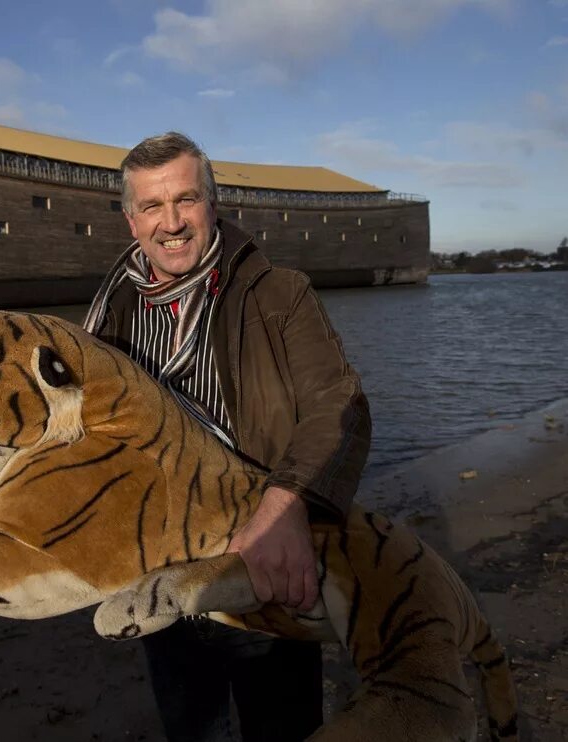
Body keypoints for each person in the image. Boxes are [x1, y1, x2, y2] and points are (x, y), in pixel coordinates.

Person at [82, 132, 371, 741]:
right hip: (159, 563)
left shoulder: (279, 293)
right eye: (152, 207)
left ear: (213, 203)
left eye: (186, 200)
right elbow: (73, 426)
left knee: (283, 725)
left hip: (258, 554)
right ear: (131, 220)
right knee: (190, 727)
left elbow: (338, 405)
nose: (172, 223)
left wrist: (285, 506)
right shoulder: (110, 316)